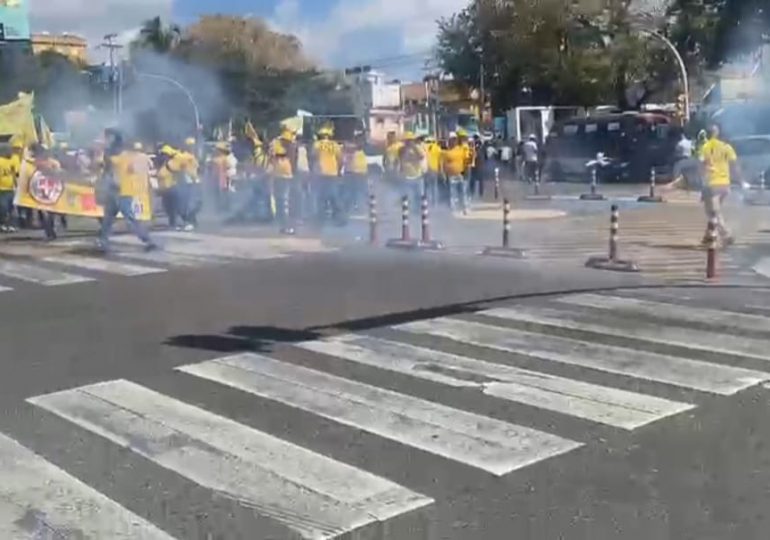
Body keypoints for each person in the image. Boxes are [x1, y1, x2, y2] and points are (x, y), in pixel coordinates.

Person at [663, 124, 739, 246]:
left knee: (713, 212)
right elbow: (734, 164)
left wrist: (697, 181)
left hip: (712, 184)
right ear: (717, 133)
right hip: (725, 184)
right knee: (713, 211)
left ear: (707, 134)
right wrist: (741, 180)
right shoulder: (727, 147)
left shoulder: (705, 147)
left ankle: (726, 234)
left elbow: (700, 166)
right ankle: (708, 236)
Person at [97, 132, 157, 252]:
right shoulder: (132, 157)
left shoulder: (118, 159)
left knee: (127, 219)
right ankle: (103, 241)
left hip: (120, 193)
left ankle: (147, 240)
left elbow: (107, 163)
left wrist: (105, 148)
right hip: (119, 192)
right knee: (110, 219)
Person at [312, 126, 344, 224]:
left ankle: (321, 218)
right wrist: (338, 171)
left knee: (321, 196)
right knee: (334, 196)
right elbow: (340, 160)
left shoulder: (316, 145)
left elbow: (313, 158)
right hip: (332, 173)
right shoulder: (335, 145)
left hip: (320, 174)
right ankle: (339, 217)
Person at [269, 126, 298, 233]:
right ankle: (287, 225)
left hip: (276, 173)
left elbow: (270, 156)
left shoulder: (274, 142)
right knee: (285, 200)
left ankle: (282, 224)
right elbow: (293, 159)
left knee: (279, 200)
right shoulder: (291, 144)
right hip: (287, 173)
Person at [397, 132, 426, 212]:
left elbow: (421, 157)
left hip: (417, 176)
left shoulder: (417, 148)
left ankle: (418, 210)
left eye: (410, 140)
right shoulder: (401, 150)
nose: (408, 142)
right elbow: (400, 161)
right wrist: (400, 171)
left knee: (419, 195)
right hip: (406, 176)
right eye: (407, 141)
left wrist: (414, 148)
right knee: (407, 196)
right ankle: (408, 210)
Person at [343, 131, 369, 214]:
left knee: (361, 191)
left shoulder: (360, 150)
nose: (362, 142)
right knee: (351, 192)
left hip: (360, 174)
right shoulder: (351, 148)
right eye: (361, 140)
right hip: (352, 173)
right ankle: (349, 208)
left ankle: (363, 207)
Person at [442, 132, 468, 214]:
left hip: (460, 174)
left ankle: (464, 208)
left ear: (456, 140)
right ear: (449, 141)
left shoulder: (461, 150)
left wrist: (466, 172)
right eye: (451, 140)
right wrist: (444, 175)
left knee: (463, 193)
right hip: (451, 176)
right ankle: (454, 209)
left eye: (454, 140)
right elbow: (444, 165)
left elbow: (466, 161)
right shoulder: (446, 153)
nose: (453, 141)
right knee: (453, 194)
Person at [156, 145, 181, 229]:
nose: (162, 156)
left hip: (171, 188)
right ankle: (172, 223)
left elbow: (178, 172)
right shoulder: (163, 165)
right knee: (167, 207)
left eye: (163, 154)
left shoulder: (171, 163)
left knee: (172, 208)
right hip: (165, 189)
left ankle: (174, 224)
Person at [0, 144, 17, 232]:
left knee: (11, 208)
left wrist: (16, 185)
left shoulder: (12, 161)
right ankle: (2, 224)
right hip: (1, 190)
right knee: (3, 208)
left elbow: (14, 174)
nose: (10, 152)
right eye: (8, 150)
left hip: (10, 189)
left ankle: (11, 225)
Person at [424, 135, 442, 206]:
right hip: (435, 169)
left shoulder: (424, 147)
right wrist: (440, 170)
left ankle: (427, 202)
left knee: (427, 187)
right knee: (434, 187)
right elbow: (440, 160)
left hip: (426, 170)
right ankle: (435, 203)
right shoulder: (437, 148)